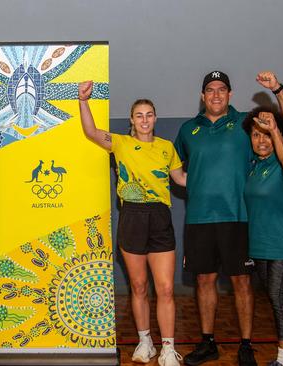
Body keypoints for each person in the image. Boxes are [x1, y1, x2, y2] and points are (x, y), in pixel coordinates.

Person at [175, 70, 283, 366]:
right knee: (204, 281)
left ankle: (246, 345)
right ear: (202, 96)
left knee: (242, 283)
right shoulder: (187, 129)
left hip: (238, 217)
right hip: (198, 219)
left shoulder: (247, 123)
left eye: (222, 89)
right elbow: (171, 166)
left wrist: (277, 89)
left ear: (230, 94)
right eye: (210, 90)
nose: (216, 94)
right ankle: (208, 343)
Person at [77, 81, 186, 365]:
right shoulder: (121, 143)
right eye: (139, 115)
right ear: (131, 120)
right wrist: (83, 101)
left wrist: (216, 176)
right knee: (138, 287)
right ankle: (145, 342)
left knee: (164, 288)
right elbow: (89, 132)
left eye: (149, 114)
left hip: (160, 217)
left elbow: (182, 180)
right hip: (132, 217)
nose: (145, 119)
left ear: (155, 118)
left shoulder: (167, 147)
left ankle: (168, 348)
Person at [242, 107, 283, 366]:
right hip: (261, 245)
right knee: (275, 299)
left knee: (279, 300)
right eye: (256, 135)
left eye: (266, 135)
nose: (261, 140)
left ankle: (282, 361)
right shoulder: (255, 167)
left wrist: (275, 130)